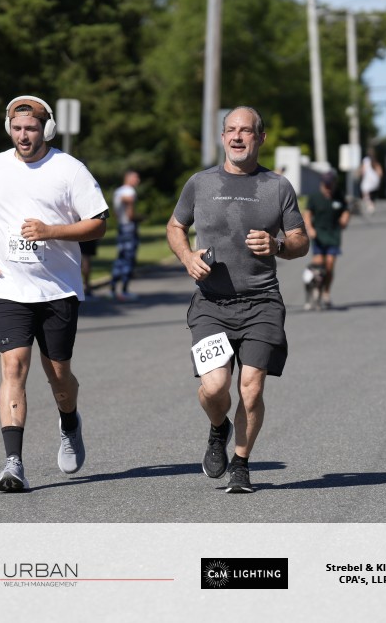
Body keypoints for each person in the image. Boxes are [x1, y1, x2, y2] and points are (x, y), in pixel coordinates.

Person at [0, 95, 109, 492]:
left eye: (30, 128)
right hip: (7, 286)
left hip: (58, 288)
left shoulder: (69, 170)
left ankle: (69, 421)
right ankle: (13, 464)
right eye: (17, 128)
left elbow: (98, 224)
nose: (23, 135)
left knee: (58, 375)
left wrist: (51, 231)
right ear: (8, 128)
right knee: (13, 368)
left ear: (47, 130)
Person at [166, 106, 309, 494]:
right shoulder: (200, 183)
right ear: (223, 136)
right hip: (211, 305)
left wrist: (279, 245)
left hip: (262, 302)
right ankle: (218, 428)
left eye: (246, 131)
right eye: (231, 130)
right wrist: (187, 257)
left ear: (260, 138)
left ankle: (241, 465)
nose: (237, 137)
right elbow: (176, 226)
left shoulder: (277, 186)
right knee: (215, 388)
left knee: (251, 387)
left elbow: (301, 240)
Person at [302, 171, 350, 310]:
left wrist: (345, 219)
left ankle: (326, 293)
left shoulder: (339, 196)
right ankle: (313, 293)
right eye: (326, 185)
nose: (328, 187)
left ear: (334, 184)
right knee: (318, 265)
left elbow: (346, 210)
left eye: (330, 184)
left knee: (329, 264)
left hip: (333, 234)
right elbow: (307, 213)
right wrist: (310, 228)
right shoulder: (315, 197)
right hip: (318, 233)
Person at [110, 170, 141, 301]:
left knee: (120, 257)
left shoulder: (118, 191)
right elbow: (130, 211)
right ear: (128, 178)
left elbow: (115, 212)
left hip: (121, 226)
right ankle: (124, 290)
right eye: (136, 177)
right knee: (129, 258)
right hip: (129, 227)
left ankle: (113, 289)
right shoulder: (130, 192)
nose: (138, 180)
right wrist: (136, 217)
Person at [359, 149, 382, 214]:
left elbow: (363, 170)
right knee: (372, 193)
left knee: (365, 191)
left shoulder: (366, 160)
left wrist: (361, 175)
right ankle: (371, 204)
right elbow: (380, 171)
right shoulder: (375, 161)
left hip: (368, 179)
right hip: (375, 179)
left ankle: (369, 204)